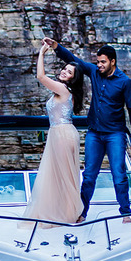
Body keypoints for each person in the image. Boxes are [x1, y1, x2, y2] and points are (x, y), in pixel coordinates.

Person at [42, 37, 131, 223]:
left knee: (119, 174)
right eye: (98, 62)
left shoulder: (125, 82)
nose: (99, 65)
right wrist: (56, 47)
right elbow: (75, 60)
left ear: (113, 61)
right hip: (94, 133)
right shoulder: (94, 72)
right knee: (88, 176)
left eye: (103, 62)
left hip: (115, 134)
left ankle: (126, 213)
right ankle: (82, 212)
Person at [21, 43, 84, 225]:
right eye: (65, 68)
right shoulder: (62, 90)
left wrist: (42, 52)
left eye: (69, 72)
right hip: (59, 134)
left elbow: (40, 76)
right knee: (60, 175)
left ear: (73, 79)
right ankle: (65, 211)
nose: (64, 72)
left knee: (64, 176)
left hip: (63, 134)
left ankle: (71, 214)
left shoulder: (63, 90)